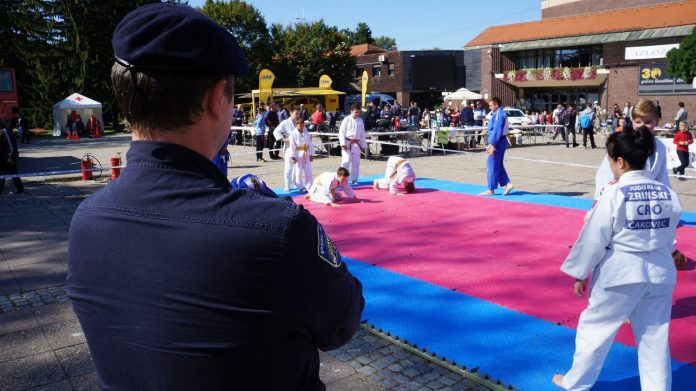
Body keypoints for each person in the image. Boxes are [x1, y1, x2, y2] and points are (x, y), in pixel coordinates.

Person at [67, 5, 364, 391]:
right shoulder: (275, 231)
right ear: (215, 98)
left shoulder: (86, 221)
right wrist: (279, 219)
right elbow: (342, 321)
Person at [553, 126, 681, 391]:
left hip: (621, 271)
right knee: (654, 338)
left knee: (595, 331)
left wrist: (581, 272)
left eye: (611, 160)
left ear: (620, 161)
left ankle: (575, 382)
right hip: (660, 271)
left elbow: (594, 237)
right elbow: (669, 236)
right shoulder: (667, 193)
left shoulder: (615, 192)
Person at [593, 99, 687, 270]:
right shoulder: (622, 142)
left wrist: (668, 203)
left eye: (648, 122)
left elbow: (662, 180)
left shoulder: (659, 147)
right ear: (632, 120)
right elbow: (605, 175)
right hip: (619, 198)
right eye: (638, 121)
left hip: (645, 200)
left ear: (656, 121)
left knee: (650, 234)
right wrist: (598, 204)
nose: (643, 126)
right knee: (614, 238)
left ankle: (667, 251)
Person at [480, 97, 513, 196]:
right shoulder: (500, 113)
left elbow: (497, 130)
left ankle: (491, 189)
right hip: (500, 141)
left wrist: (492, 145)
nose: (489, 107)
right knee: (497, 164)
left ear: (496, 105)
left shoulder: (499, 114)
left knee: (491, 164)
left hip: (498, 142)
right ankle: (507, 184)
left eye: (491, 105)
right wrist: (491, 144)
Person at [274, 106, 301, 191]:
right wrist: (283, 139)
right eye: (296, 113)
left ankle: (297, 183)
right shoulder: (285, 123)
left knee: (298, 167)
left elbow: (305, 133)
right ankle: (287, 184)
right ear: (291, 113)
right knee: (289, 167)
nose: (298, 115)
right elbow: (276, 131)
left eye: (299, 113)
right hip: (289, 147)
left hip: (298, 147)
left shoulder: (299, 122)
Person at [338, 103, 367, 185]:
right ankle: (342, 179)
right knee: (346, 161)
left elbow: (363, 134)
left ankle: (354, 179)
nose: (357, 114)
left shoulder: (360, 121)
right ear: (351, 111)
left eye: (358, 112)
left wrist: (364, 145)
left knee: (356, 163)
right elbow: (341, 132)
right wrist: (342, 143)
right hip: (347, 143)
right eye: (355, 112)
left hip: (357, 144)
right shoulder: (346, 119)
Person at [289, 118, 314, 192]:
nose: (302, 126)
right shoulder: (293, 134)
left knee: (308, 171)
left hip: (306, 153)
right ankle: (300, 187)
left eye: (303, 125)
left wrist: (311, 154)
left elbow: (309, 143)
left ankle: (308, 186)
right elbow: (292, 146)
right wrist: (293, 157)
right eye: (300, 125)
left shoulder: (306, 133)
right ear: (296, 125)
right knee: (298, 172)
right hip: (298, 155)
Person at [0, 119, 25, 194]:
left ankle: (19, 189)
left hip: (8, 157)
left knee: (3, 173)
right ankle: (20, 188)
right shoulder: (2, 132)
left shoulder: (5, 132)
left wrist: (10, 156)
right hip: (3, 157)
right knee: (13, 172)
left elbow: (11, 146)